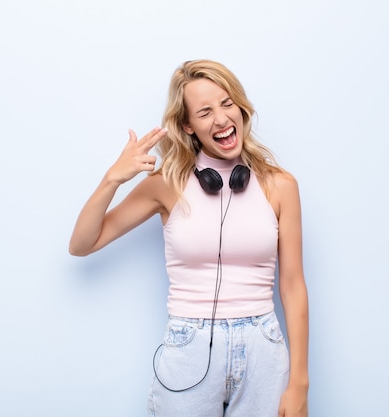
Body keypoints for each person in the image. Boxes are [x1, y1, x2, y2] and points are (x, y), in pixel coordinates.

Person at [69, 59, 309, 417]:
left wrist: (299, 384)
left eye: (228, 104)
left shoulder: (280, 185)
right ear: (188, 126)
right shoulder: (167, 186)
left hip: (264, 348)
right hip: (189, 345)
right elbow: (82, 244)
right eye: (205, 112)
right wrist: (113, 179)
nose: (222, 119)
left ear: (241, 108)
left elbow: (292, 286)